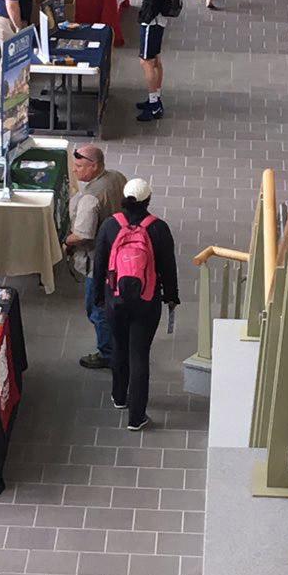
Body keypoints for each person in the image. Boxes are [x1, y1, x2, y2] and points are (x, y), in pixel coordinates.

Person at [93, 179, 179, 431]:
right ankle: (137, 416)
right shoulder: (158, 228)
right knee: (139, 353)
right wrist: (171, 297)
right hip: (146, 300)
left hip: (115, 299)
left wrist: (99, 296)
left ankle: (119, 397)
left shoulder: (110, 225)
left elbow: (100, 265)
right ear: (148, 200)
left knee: (119, 346)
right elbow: (167, 267)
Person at [65, 145, 127, 370]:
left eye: (80, 166)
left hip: (98, 262)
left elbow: (82, 234)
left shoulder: (91, 198)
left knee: (97, 308)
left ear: (95, 166)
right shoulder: (118, 178)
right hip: (121, 253)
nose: (75, 170)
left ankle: (107, 353)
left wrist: (65, 243)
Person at [125, 0, 167, 122]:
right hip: (160, 18)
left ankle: (154, 104)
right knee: (155, 59)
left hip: (152, 20)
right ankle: (155, 98)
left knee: (146, 61)